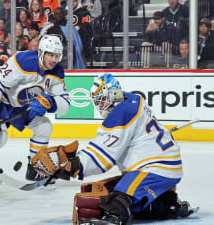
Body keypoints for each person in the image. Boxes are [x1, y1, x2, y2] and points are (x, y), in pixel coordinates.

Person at [30, 73, 195, 224]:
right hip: (165, 165)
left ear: (114, 93)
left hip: (157, 168)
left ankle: (114, 218)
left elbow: (103, 157)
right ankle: (168, 203)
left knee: (122, 194)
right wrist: (76, 161)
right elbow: (108, 146)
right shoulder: (133, 100)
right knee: (114, 189)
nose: (101, 106)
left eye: (102, 99)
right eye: (97, 102)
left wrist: (74, 166)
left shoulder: (122, 113)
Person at [0, 35, 70, 182]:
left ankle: (36, 169)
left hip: (16, 106)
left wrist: (51, 102)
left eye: (57, 56)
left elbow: (65, 106)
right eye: (50, 55)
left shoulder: (56, 73)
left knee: (44, 126)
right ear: (41, 53)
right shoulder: (23, 62)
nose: (54, 60)